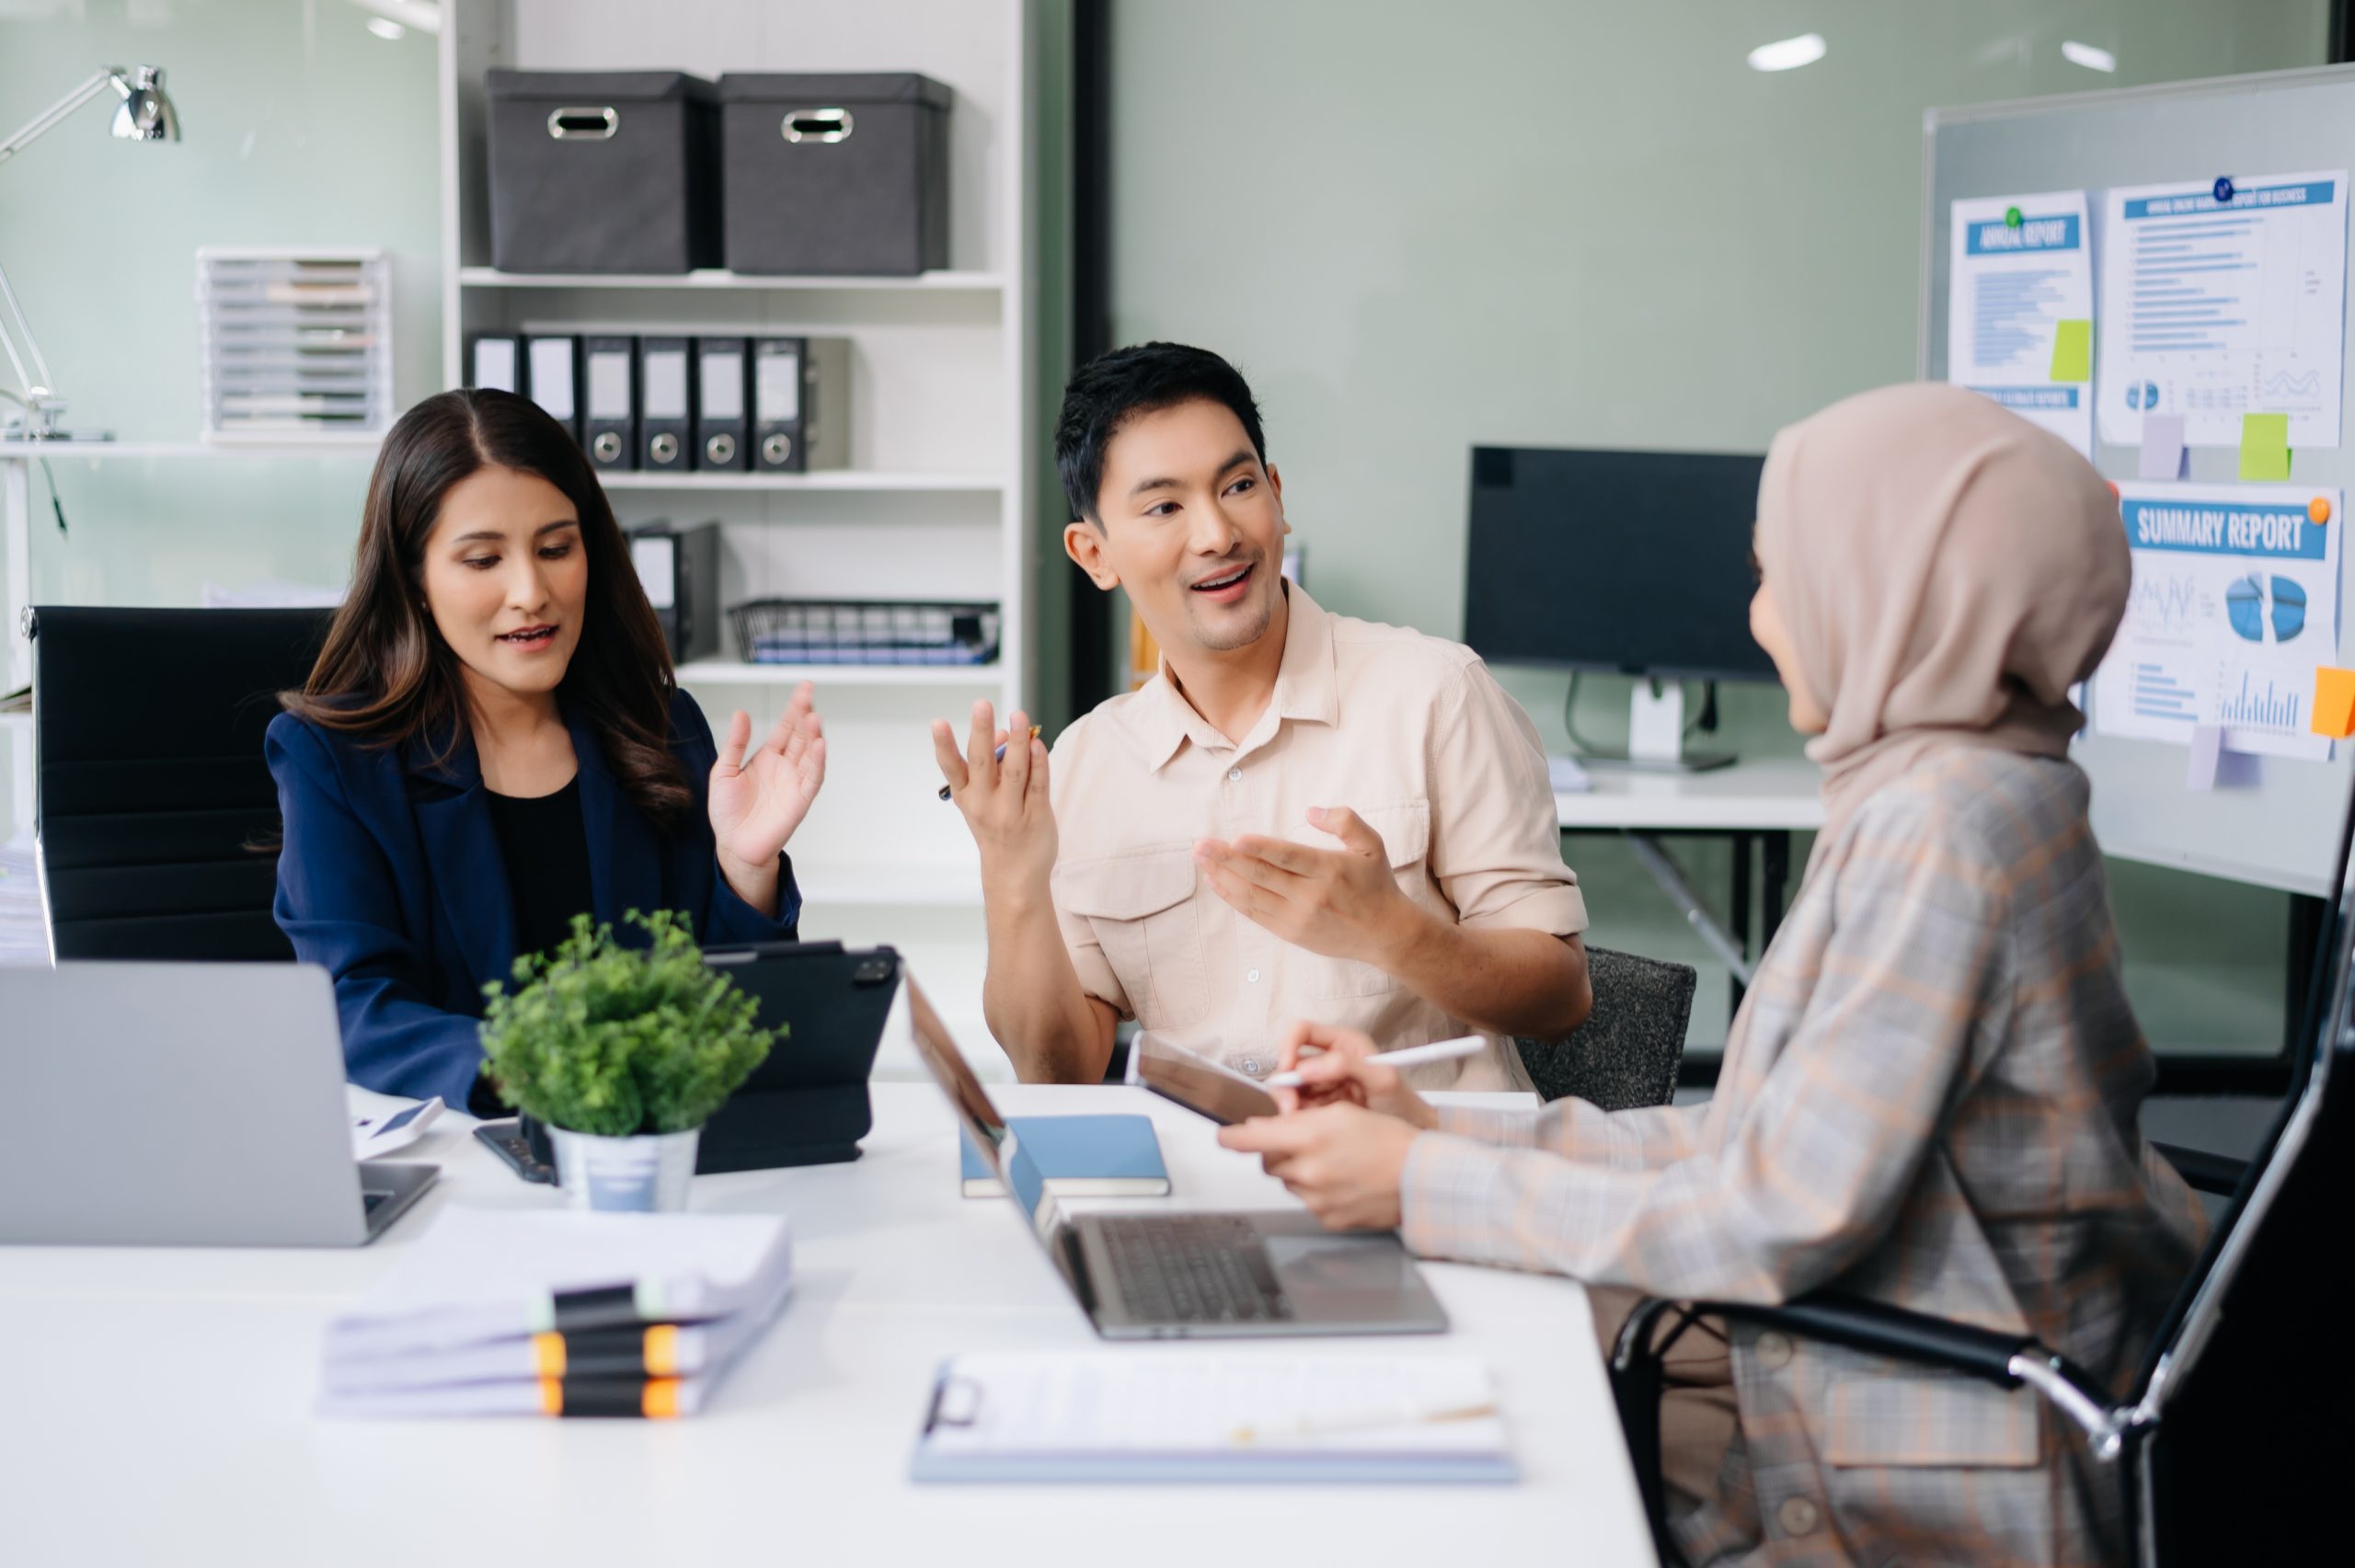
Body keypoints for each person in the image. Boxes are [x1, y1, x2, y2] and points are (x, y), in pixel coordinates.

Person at [1219, 383, 2209, 1565]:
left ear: (1890, 593)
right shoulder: (1969, 788)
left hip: (1915, 1480)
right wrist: (1441, 1130)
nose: (1759, 621)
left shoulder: (1944, 828)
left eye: (1778, 579)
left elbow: (1771, 1214)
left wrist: (1417, 1183)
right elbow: (1760, 1141)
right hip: (1887, 1395)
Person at [933, 342, 1591, 1088]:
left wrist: (1395, 933)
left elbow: (1561, 996)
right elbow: (1057, 1071)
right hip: (1204, 1179)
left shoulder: (1437, 692)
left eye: (1238, 485)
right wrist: (1012, 877)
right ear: (1094, 554)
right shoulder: (1087, 763)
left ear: (1277, 495)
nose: (1217, 533)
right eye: (1164, 506)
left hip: (1417, 1179)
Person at [268, 389, 824, 1110]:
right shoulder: (336, 759)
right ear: (417, 579)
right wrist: (549, 1071)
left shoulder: (659, 727)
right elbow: (350, 1011)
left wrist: (745, 869)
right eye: (482, 559)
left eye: (556, 548)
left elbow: (720, 1018)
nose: (530, 591)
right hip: (461, 1170)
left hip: (644, 1167)